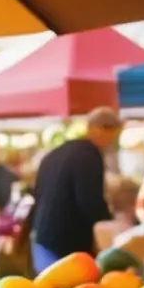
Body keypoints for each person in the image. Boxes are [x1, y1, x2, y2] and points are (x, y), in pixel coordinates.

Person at [30, 107, 122, 274]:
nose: (112, 141)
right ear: (99, 129)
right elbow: (89, 200)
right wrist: (108, 226)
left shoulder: (56, 152)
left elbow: (36, 191)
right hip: (67, 241)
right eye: (113, 134)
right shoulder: (89, 155)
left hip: (42, 237)